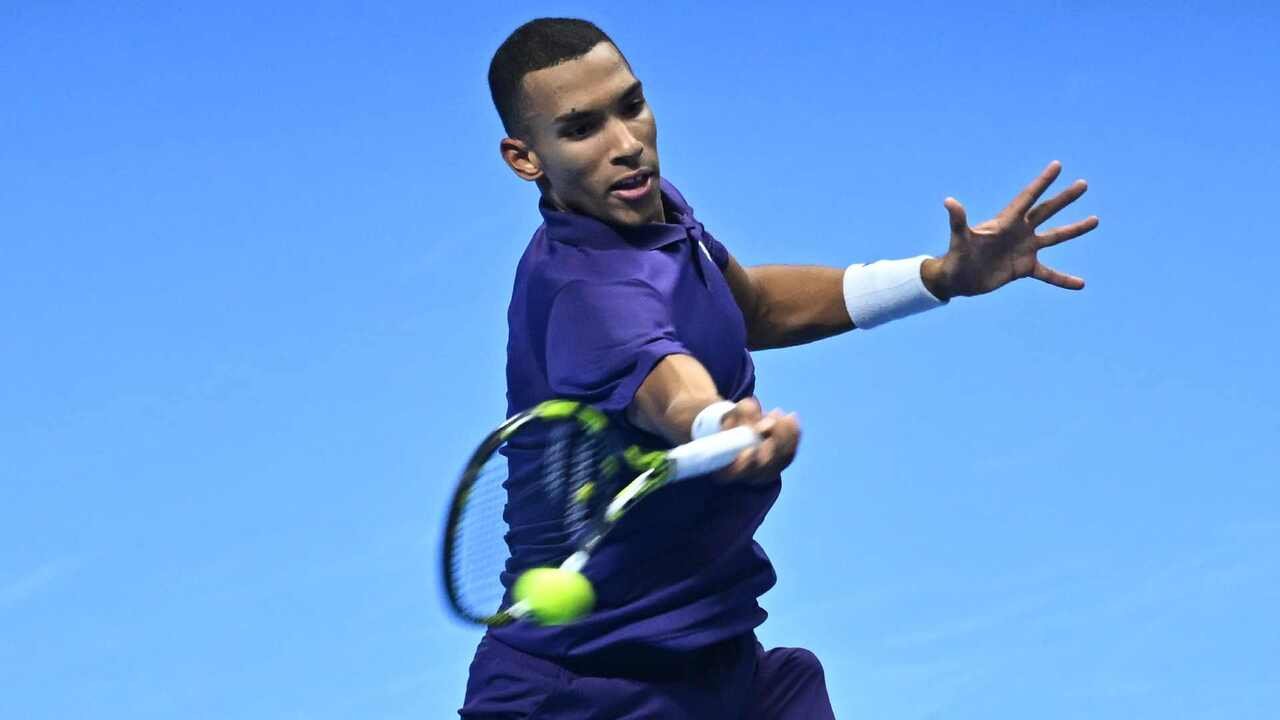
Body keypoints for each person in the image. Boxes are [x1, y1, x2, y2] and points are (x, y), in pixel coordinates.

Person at [461, 17, 1098, 719]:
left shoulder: (650, 209)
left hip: (723, 666)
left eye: (631, 105)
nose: (627, 144)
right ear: (526, 158)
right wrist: (718, 423)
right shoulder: (586, 295)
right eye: (582, 129)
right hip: (585, 695)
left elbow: (754, 308)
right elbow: (664, 385)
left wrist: (937, 277)